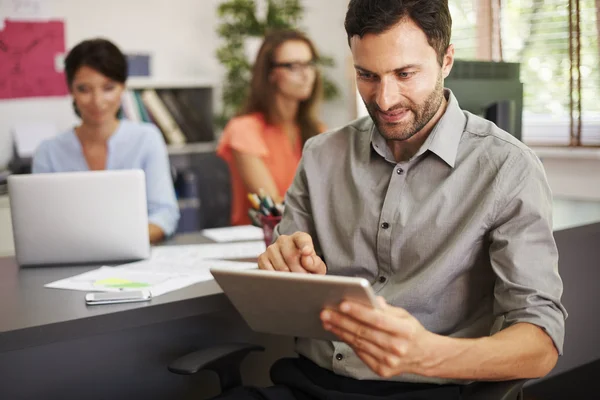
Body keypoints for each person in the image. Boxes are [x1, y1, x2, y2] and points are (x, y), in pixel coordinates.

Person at [216, 1, 567, 399]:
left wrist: (430, 355)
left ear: (446, 59)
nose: (384, 99)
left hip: (434, 388)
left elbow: (541, 343)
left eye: (405, 74)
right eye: (367, 75)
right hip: (312, 383)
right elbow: (286, 289)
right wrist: (284, 267)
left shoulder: (507, 167)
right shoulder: (320, 155)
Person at [32, 38, 180, 244]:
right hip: (68, 259)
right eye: (84, 89)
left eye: (108, 87)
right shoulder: (48, 152)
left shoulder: (147, 138)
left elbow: (164, 213)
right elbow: (39, 224)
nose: (97, 101)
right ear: (71, 90)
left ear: (123, 88)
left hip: (134, 254)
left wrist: (117, 242)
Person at [217, 29, 325, 226]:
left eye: (309, 64)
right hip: (258, 242)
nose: (306, 75)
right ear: (271, 74)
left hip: (309, 240)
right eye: (294, 66)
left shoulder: (319, 131)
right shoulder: (244, 130)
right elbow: (274, 207)